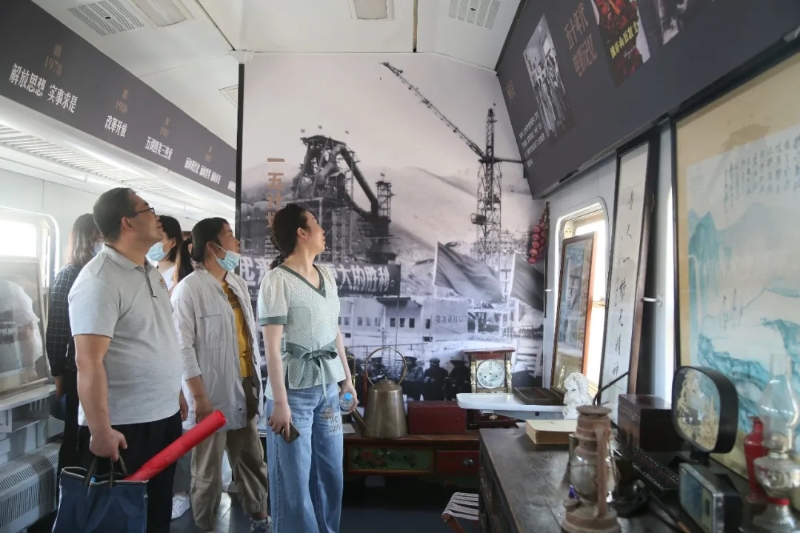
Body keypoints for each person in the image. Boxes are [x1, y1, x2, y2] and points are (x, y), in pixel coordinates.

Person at [68, 187, 186, 533]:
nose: (157, 216)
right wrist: (100, 430)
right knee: (120, 521)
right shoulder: (99, 280)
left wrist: (175, 391)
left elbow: (158, 337)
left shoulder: (149, 271)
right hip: (125, 426)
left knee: (156, 514)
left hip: (162, 416)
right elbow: (88, 362)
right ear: (127, 222)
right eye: (148, 209)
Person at [258, 203, 358, 533]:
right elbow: (272, 349)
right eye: (317, 224)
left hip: (328, 390)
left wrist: (346, 381)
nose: (323, 230)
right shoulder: (277, 280)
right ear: (302, 233)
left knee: (331, 475)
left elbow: (334, 332)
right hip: (293, 396)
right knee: (295, 484)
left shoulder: (326, 275)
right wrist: (280, 403)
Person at [171, 218, 270, 533]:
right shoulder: (188, 290)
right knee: (208, 469)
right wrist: (199, 397)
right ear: (213, 247)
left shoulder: (236, 283)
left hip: (244, 385)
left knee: (252, 460)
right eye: (230, 235)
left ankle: (260, 518)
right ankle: (207, 525)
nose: (237, 242)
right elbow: (183, 349)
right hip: (209, 394)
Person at [46, 213, 102, 479]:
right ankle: (69, 492)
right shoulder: (69, 275)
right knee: (75, 436)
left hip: (99, 371)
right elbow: (57, 331)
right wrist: (59, 377)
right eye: (98, 237)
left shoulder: (101, 274)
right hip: (76, 371)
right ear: (87, 238)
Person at [170, 234, 195, 520]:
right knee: (185, 441)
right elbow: (180, 345)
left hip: (202, 378)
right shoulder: (181, 290)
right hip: (185, 377)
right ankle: (180, 494)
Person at [147, 214, 183, 291]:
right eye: (149, 237)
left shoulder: (180, 275)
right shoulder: (149, 272)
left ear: (173, 242)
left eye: (159, 237)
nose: (152, 242)